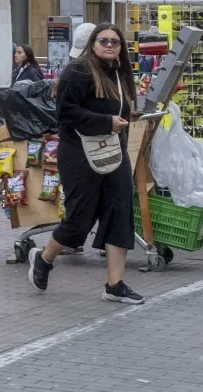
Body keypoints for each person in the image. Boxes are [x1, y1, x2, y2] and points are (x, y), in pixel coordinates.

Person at [28, 23, 143, 304]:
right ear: (92, 44)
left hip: (114, 152)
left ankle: (115, 285)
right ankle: (44, 258)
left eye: (115, 42)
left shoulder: (120, 74)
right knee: (79, 220)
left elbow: (120, 111)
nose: (109, 45)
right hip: (79, 153)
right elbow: (65, 113)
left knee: (120, 213)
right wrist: (106, 122)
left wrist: (126, 122)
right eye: (103, 40)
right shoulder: (77, 71)